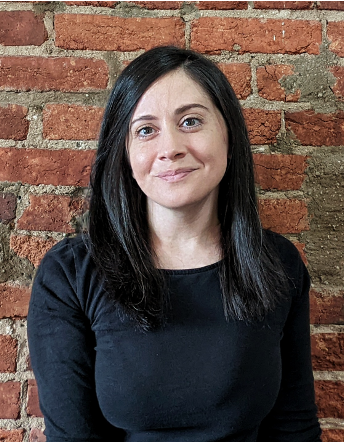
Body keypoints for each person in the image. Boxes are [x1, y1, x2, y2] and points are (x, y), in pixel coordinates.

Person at [27, 46, 322, 442]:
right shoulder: (70, 274)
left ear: (228, 136)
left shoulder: (277, 264)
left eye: (191, 121)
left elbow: (294, 428)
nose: (171, 148)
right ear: (126, 152)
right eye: (146, 130)